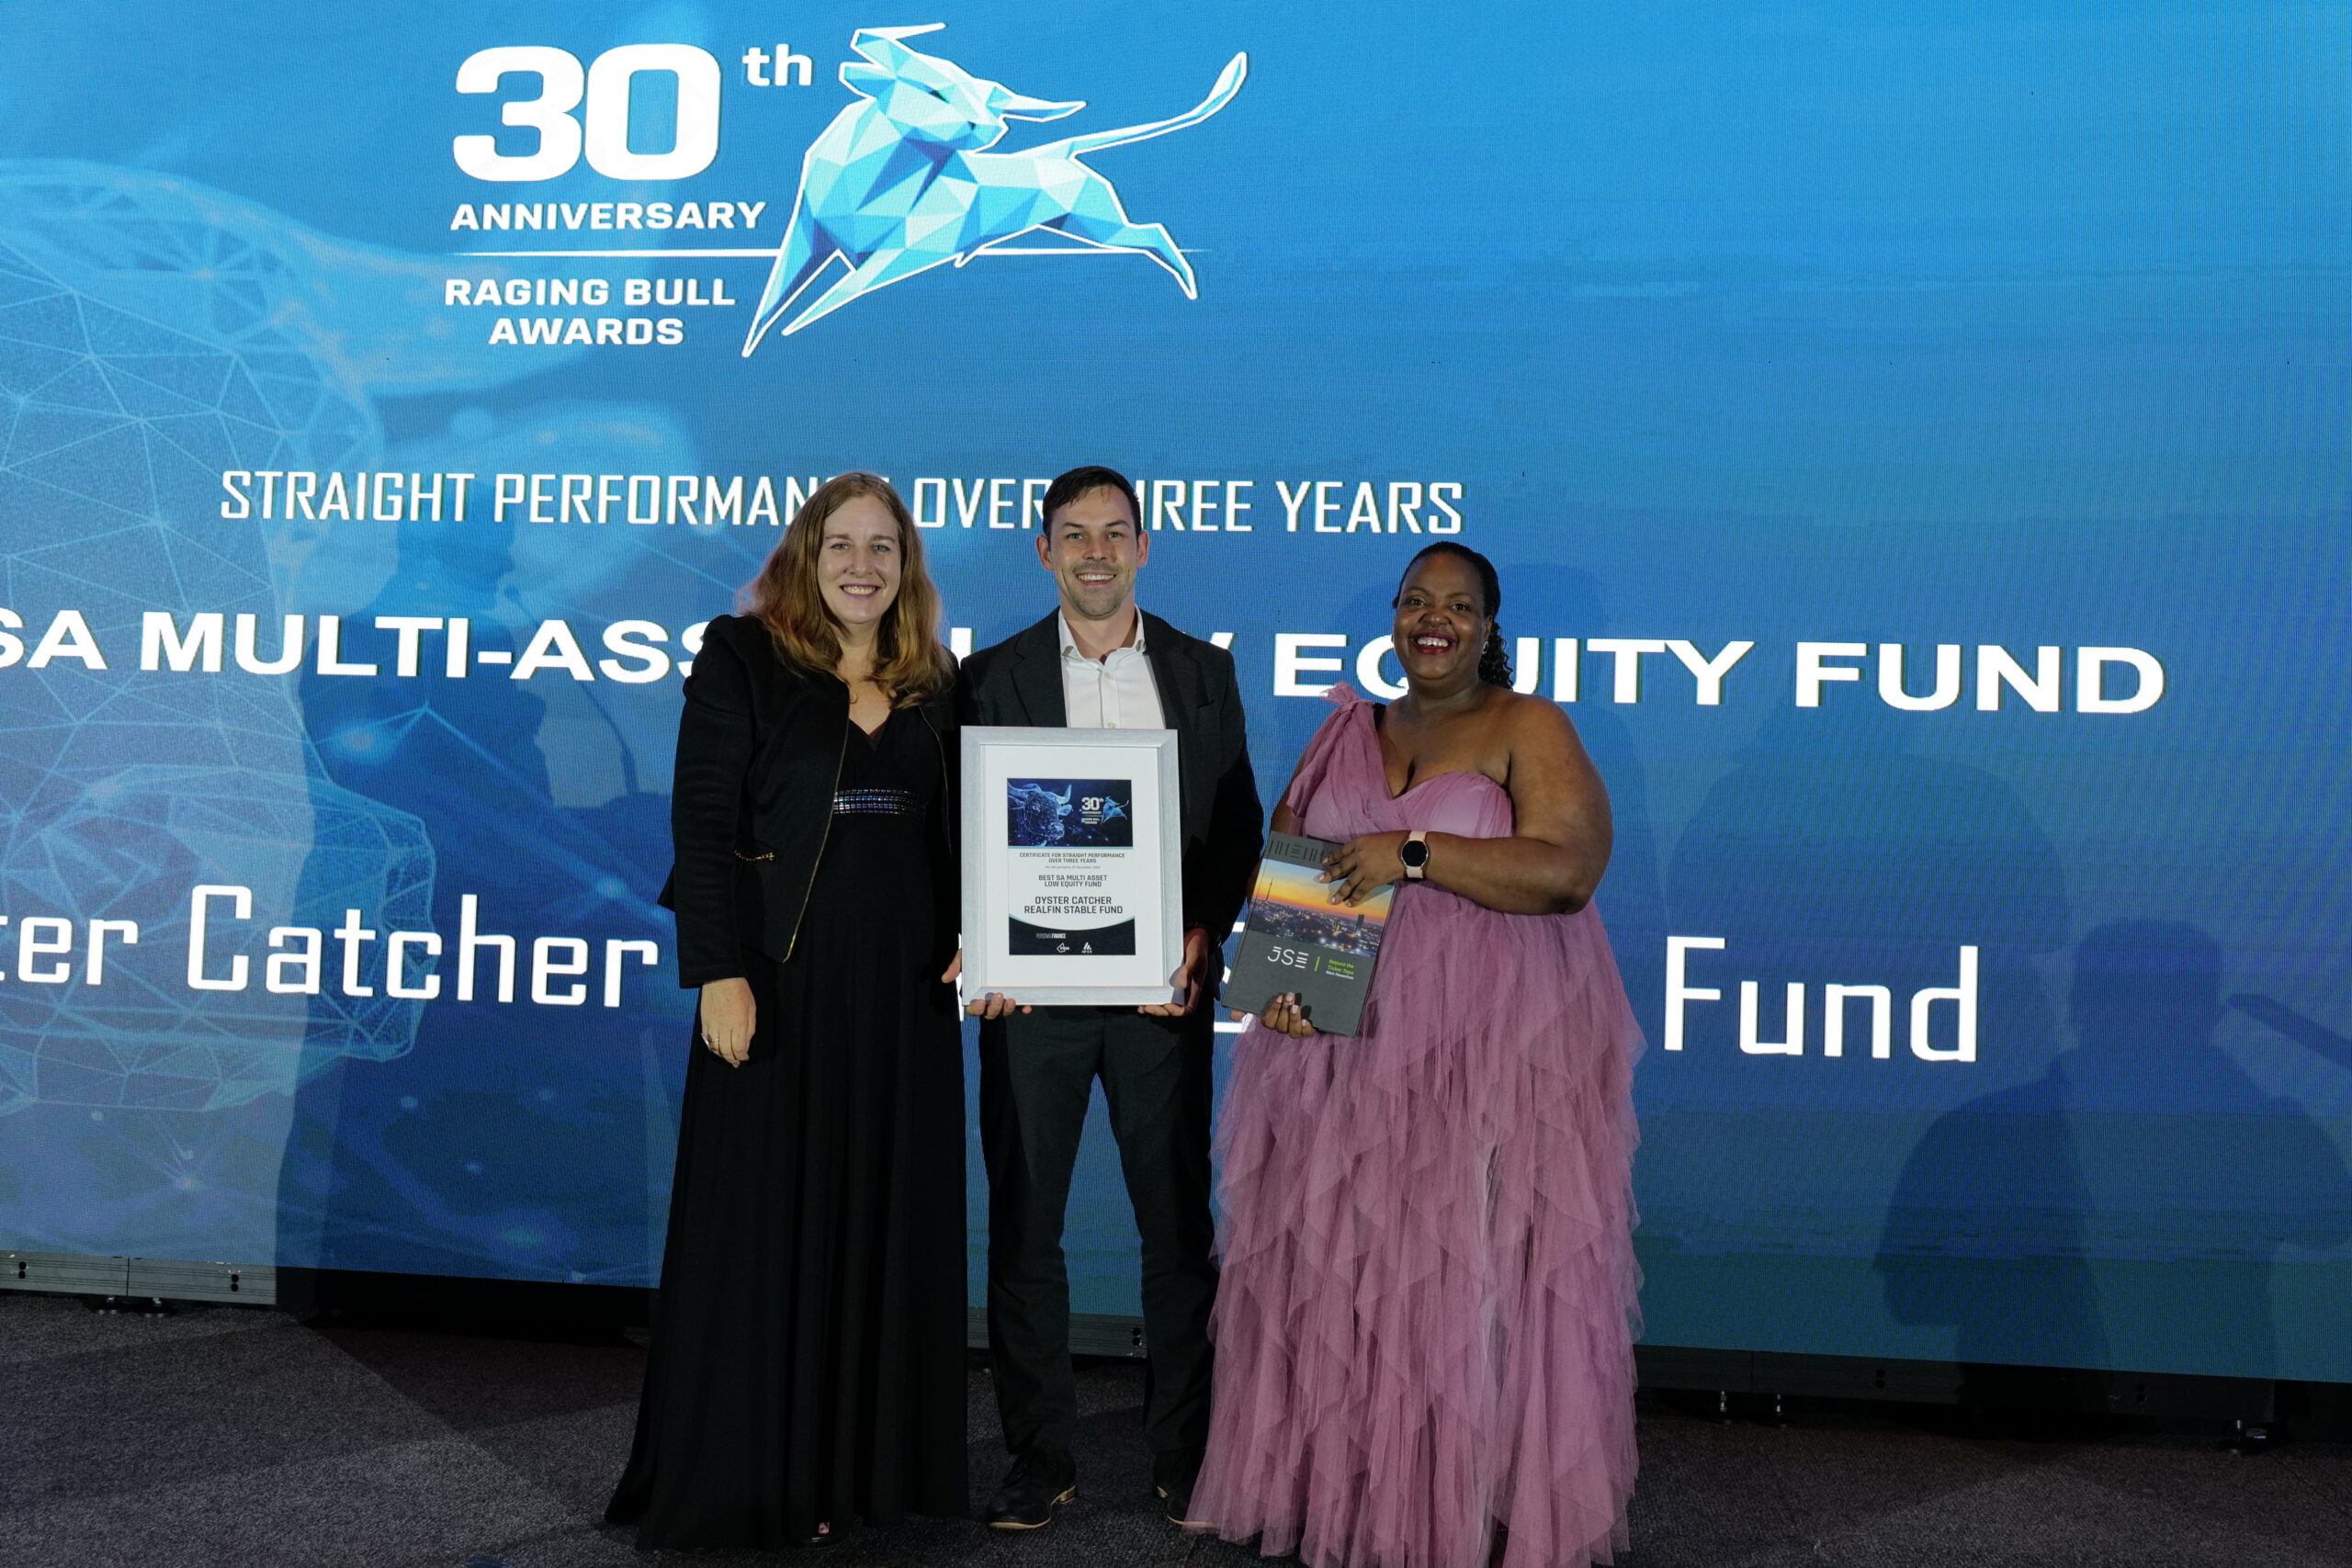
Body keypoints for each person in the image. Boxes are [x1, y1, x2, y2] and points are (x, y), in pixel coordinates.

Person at [1191, 542, 1642, 1568]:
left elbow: (1567, 871)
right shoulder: (1344, 729)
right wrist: (1282, 991)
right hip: (1341, 1062)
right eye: (1415, 601)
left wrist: (1414, 854)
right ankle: (1361, 1499)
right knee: (1354, 1276)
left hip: (1481, 1061)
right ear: (1394, 617)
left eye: (1458, 606)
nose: (1433, 620)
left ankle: (1458, 1507)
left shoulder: (1528, 725)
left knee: (1460, 1278)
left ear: (1488, 626)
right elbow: (1293, 873)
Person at [607, 473, 967, 1551]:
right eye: (840, 544)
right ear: (807, 557)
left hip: (904, 994)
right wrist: (717, 971)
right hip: (777, 982)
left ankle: (856, 1480)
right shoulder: (744, 655)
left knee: (880, 1219)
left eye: (883, 547)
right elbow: (702, 819)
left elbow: (963, 829)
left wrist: (985, 931)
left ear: (906, 568)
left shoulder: (937, 677)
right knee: (767, 1227)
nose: (862, 564)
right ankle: (760, 1477)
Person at [958, 465, 1262, 1530]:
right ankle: (1037, 1460)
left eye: (1115, 532)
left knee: (1174, 1233)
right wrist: (980, 945)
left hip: (1157, 1000)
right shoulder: (985, 678)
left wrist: (1202, 930)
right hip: (1030, 1003)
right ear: (1043, 551)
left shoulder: (1201, 673)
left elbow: (1236, 820)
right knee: (1023, 1232)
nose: (1097, 552)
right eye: (1075, 534)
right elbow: (960, 831)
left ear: (1144, 547)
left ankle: (1188, 1460)